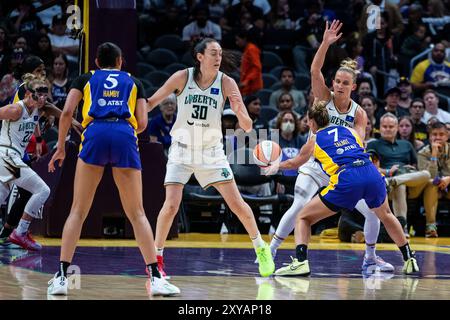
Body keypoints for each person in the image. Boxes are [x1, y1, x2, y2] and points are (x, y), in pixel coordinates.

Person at [46, 42, 180, 296]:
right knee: (137, 212)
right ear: (120, 62)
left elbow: (66, 113)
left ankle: (62, 277)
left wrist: (61, 147)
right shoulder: (133, 81)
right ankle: (155, 277)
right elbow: (142, 123)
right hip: (123, 133)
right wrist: (123, 132)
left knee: (78, 210)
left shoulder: (85, 78)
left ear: (96, 62)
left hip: (94, 132)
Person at [265, 20, 394, 273]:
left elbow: (356, 142)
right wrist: (325, 43)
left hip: (342, 169)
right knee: (300, 202)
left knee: (372, 212)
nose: (338, 85)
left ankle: (370, 258)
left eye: (344, 83)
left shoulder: (359, 114)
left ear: (353, 87)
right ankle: (270, 252)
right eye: (336, 81)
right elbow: (315, 71)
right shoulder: (324, 99)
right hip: (315, 163)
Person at [146, 38, 275, 279]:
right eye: (213, 53)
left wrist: (241, 113)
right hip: (182, 148)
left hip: (211, 151)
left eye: (220, 53)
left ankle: (261, 249)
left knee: (237, 204)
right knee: (171, 205)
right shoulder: (182, 77)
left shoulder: (226, 82)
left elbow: (246, 124)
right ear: (200, 56)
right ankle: (157, 260)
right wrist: (133, 115)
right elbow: (152, 102)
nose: (218, 58)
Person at [274, 100, 419, 276]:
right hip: (371, 172)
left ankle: (301, 262)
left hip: (348, 177)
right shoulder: (349, 131)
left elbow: (293, 163)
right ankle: (409, 258)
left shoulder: (314, 140)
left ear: (311, 122)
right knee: (386, 216)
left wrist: (274, 166)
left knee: (303, 217)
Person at [0, 74, 60, 251]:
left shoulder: (36, 108)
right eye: (38, 95)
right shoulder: (15, 109)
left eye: (44, 95)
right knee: (42, 189)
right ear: (27, 93)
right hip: (6, 155)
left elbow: (47, 113)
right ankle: (21, 232)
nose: (42, 99)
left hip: (11, 157)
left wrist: (40, 138)